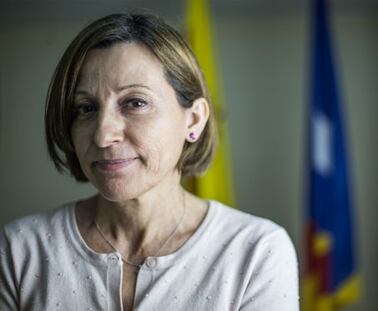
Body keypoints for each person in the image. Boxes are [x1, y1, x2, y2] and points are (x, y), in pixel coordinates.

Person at [0, 13, 298, 311]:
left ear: (194, 120)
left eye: (135, 103)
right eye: (86, 108)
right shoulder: (19, 249)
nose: (103, 136)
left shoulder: (257, 251)